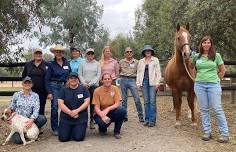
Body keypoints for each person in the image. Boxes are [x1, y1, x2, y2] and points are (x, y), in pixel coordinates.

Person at [191, 36, 229, 143]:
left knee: (217, 109)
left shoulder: (216, 56)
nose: (206, 44)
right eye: (204, 42)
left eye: (208, 43)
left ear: (211, 44)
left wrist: (218, 80)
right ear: (201, 44)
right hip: (199, 85)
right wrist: (195, 79)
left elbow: (222, 70)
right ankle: (207, 131)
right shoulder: (197, 56)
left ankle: (225, 133)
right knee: (204, 109)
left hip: (213, 85)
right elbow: (191, 67)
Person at [9, 76, 47, 144]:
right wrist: (9, 119)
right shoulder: (16, 95)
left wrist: (31, 120)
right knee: (17, 141)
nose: (27, 84)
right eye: (25, 83)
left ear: (32, 84)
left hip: (29, 119)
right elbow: (11, 108)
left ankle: (32, 131)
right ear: (22, 84)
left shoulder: (35, 96)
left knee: (42, 118)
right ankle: (23, 132)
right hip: (19, 120)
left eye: (29, 83)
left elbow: (36, 109)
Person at [45, 44, 71, 136]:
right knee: (55, 107)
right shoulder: (51, 64)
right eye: (57, 52)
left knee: (66, 106)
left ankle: (66, 125)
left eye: (60, 51)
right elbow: (47, 79)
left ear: (63, 53)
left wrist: (68, 80)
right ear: (54, 53)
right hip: (54, 86)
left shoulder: (67, 63)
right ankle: (55, 128)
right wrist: (49, 92)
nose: (59, 53)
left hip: (64, 86)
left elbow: (70, 74)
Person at [58, 72, 90, 142]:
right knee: (63, 138)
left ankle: (75, 129)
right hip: (66, 117)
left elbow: (87, 102)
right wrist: (70, 112)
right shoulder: (63, 89)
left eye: (75, 78)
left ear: (78, 79)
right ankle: (69, 129)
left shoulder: (84, 89)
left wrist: (76, 111)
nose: (73, 80)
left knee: (78, 138)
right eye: (71, 78)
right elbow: (60, 103)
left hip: (80, 117)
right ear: (68, 80)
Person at [93, 73, 126, 139]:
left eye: (109, 79)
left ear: (111, 80)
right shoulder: (97, 91)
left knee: (122, 110)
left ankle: (117, 132)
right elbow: (96, 107)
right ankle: (102, 128)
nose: (107, 80)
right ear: (102, 81)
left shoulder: (115, 88)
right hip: (101, 113)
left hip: (112, 111)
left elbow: (117, 103)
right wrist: (103, 116)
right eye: (105, 79)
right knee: (103, 124)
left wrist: (108, 108)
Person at [136, 45, 161, 127]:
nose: (148, 52)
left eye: (149, 50)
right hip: (144, 82)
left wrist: (157, 83)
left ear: (151, 51)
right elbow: (138, 73)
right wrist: (138, 83)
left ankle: (152, 120)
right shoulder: (141, 61)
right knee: (146, 102)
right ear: (144, 52)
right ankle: (146, 120)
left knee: (152, 102)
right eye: (146, 50)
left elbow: (158, 73)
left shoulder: (155, 60)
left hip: (153, 82)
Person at [119, 47, 144, 122]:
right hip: (123, 80)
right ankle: (124, 116)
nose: (129, 53)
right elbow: (118, 70)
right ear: (125, 53)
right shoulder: (121, 62)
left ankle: (141, 116)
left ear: (132, 53)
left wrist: (139, 82)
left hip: (133, 80)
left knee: (137, 99)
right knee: (124, 100)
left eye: (130, 51)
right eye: (127, 52)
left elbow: (140, 72)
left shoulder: (137, 62)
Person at [79, 48, 101, 129]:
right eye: (88, 54)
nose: (90, 55)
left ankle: (92, 120)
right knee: (83, 104)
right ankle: (82, 121)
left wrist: (90, 83)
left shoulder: (97, 64)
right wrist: (84, 83)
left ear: (94, 55)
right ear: (86, 54)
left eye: (92, 54)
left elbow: (98, 75)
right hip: (84, 86)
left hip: (94, 86)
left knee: (93, 104)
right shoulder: (82, 63)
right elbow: (80, 74)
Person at [22, 48, 48, 115]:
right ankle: (29, 124)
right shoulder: (28, 64)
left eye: (40, 53)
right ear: (34, 54)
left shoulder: (47, 64)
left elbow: (49, 78)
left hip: (42, 91)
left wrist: (48, 91)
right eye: (36, 53)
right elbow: (24, 77)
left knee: (41, 109)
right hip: (30, 91)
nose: (38, 55)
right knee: (29, 108)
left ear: (42, 54)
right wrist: (25, 87)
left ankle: (39, 124)